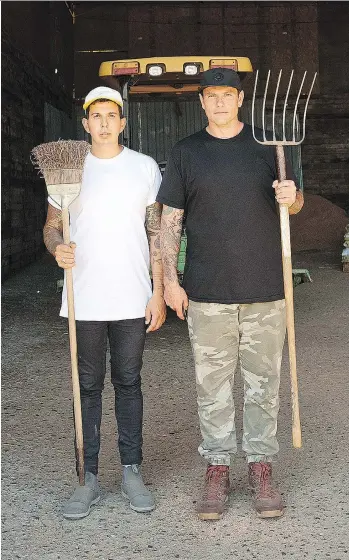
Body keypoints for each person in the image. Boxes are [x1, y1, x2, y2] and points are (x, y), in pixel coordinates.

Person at [157, 68, 304, 520]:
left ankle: (261, 466)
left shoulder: (272, 150)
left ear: (239, 98)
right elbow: (169, 221)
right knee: (212, 387)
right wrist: (169, 280)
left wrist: (290, 196)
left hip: (265, 290)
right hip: (207, 293)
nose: (219, 102)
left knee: (264, 385)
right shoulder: (186, 153)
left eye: (227, 94)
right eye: (211, 96)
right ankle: (218, 467)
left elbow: (296, 205)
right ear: (201, 102)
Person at [43, 86, 166, 519]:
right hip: (86, 298)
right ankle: (88, 478)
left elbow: (157, 233)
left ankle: (132, 470)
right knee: (88, 386)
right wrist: (57, 247)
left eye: (112, 115)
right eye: (96, 116)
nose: (104, 123)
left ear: (123, 122)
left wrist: (158, 289)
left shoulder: (144, 168)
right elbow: (51, 227)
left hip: (132, 296)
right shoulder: (68, 170)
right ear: (85, 123)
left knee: (129, 383)